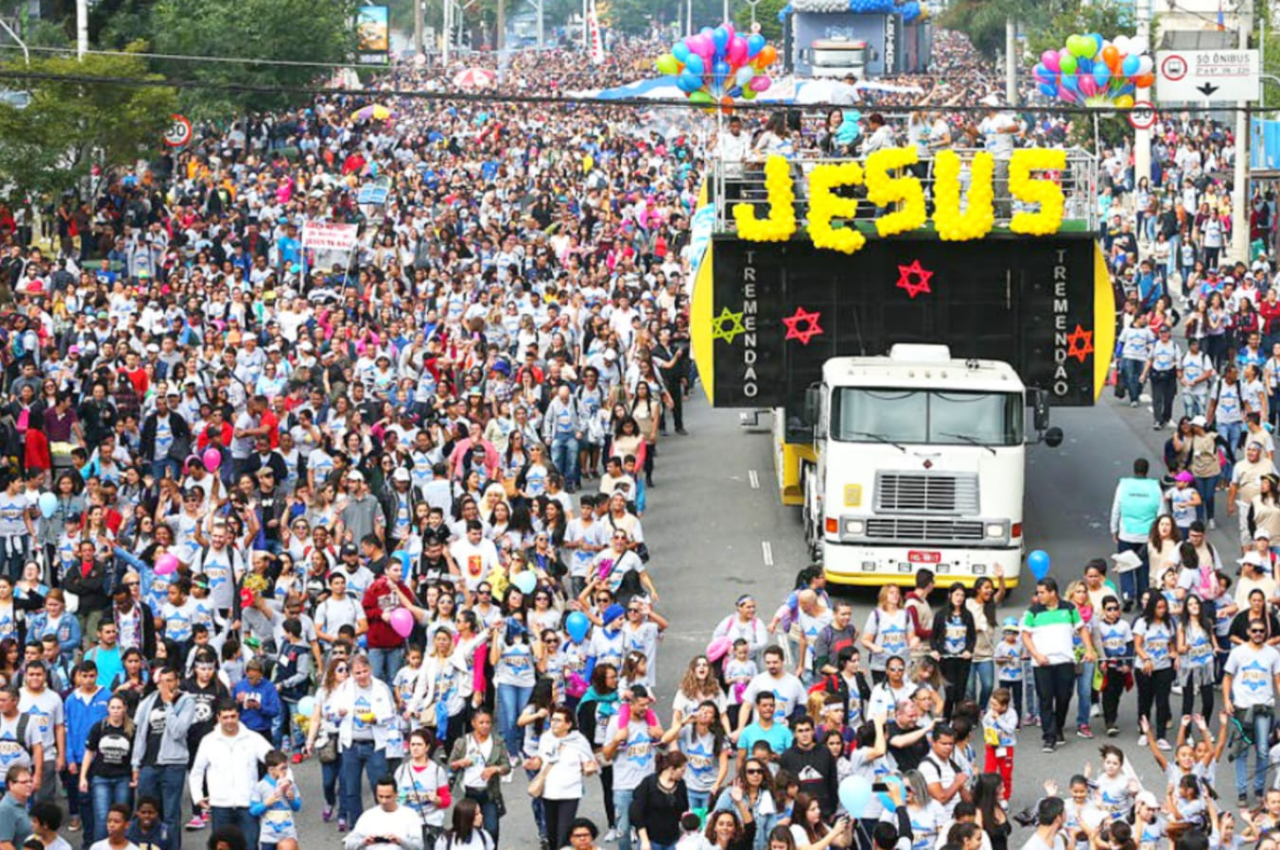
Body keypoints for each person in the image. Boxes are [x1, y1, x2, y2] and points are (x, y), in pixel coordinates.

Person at [187, 700, 273, 850]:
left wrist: (281, 785)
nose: (229, 721)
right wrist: (197, 796)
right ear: (218, 718)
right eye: (225, 717)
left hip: (248, 804)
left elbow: (274, 760)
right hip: (220, 805)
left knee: (250, 845)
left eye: (233, 716)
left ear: (238, 716)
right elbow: (197, 771)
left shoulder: (253, 738)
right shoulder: (209, 741)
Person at [1022, 578, 1094, 753]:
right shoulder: (1033, 612)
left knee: (1064, 697)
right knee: (1045, 699)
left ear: (1052, 592)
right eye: (1038, 592)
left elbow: (1082, 629)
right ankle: (1049, 736)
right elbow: (1025, 636)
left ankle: (1058, 726)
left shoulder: (1069, 609)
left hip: (1065, 661)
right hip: (1042, 663)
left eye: (1042, 592)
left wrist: (1089, 650)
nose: (1038, 596)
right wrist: (1037, 655)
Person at [130, 667, 194, 845]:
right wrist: (135, 764)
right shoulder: (148, 701)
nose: (166, 685)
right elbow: (140, 733)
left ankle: (171, 846)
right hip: (149, 764)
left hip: (173, 765)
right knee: (147, 812)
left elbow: (178, 731)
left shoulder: (186, 701)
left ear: (177, 681)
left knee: (170, 814)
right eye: (162, 681)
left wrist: (168, 705)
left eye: (170, 680)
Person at [1222, 615, 1280, 805]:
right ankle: (1241, 792)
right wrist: (1226, 701)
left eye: (1261, 631)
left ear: (1266, 633)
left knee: (1263, 749)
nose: (1257, 634)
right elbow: (1227, 677)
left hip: (1264, 708)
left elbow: (1278, 680)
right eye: (1254, 630)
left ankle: (1258, 788)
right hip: (1242, 707)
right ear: (1248, 632)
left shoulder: (1272, 654)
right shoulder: (1238, 652)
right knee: (1241, 750)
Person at [448, 710, 509, 846]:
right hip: (468, 792)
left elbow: (507, 766)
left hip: (489, 793)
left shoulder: (497, 742)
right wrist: (460, 763)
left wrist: (495, 769)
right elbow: (451, 765)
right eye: (481, 722)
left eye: (488, 722)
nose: (485, 726)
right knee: (465, 829)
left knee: (492, 829)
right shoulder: (463, 742)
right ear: (473, 723)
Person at [1110, 458, 1163, 608]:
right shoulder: (1155, 487)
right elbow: (1161, 512)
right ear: (1147, 470)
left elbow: (1116, 509)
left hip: (1126, 533)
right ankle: (1143, 597)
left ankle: (1128, 594)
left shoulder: (1123, 485)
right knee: (1144, 566)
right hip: (1147, 535)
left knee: (1125, 564)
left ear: (1134, 469)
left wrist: (1114, 529)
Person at [342, 775, 423, 850]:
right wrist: (364, 842)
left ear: (396, 795)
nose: (384, 801)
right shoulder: (368, 816)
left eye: (388, 797)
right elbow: (348, 844)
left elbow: (418, 845)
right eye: (380, 796)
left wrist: (400, 841)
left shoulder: (410, 815)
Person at [0, 765, 32, 850]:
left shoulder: (23, 804)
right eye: (24, 782)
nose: (29, 785)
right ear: (11, 784)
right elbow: (4, 845)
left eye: (30, 781)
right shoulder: (5, 809)